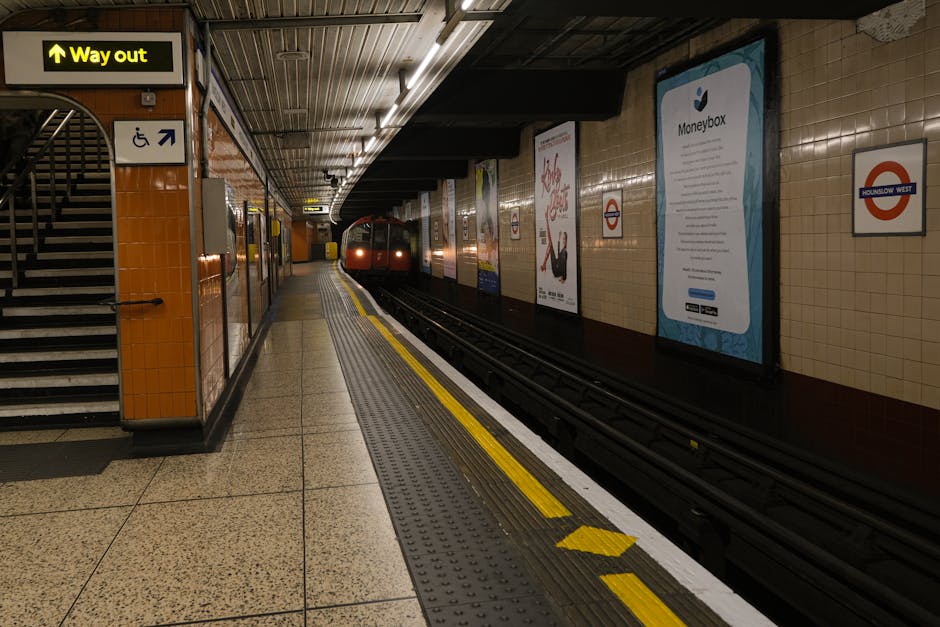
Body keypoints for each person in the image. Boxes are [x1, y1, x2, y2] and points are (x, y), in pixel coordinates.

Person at [539, 207, 567, 283]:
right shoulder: (564, 249)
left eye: (564, 239)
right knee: (550, 243)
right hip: (556, 267)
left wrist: (564, 278)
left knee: (550, 243)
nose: (563, 241)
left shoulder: (565, 251)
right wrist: (558, 239)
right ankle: (546, 219)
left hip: (556, 270)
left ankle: (546, 219)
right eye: (563, 239)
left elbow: (564, 266)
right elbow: (558, 254)